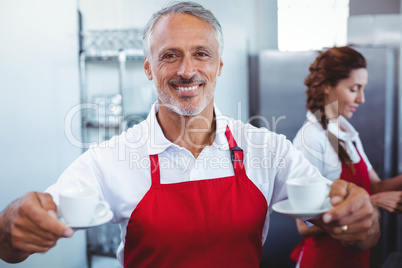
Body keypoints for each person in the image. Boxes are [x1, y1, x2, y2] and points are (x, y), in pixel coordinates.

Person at [0, 3, 380, 267]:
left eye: (201, 54)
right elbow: (12, 245)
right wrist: (13, 223)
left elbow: (357, 235)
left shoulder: (268, 149)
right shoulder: (110, 159)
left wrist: (363, 220)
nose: (187, 70)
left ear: (218, 66)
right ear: (149, 68)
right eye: (169, 55)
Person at [290, 46, 402, 268]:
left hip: (356, 258)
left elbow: (376, 186)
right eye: (354, 89)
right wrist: (370, 202)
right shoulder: (310, 139)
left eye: (362, 89)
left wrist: (375, 196)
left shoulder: (345, 130)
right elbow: (303, 226)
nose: (361, 99)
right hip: (324, 261)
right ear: (328, 86)